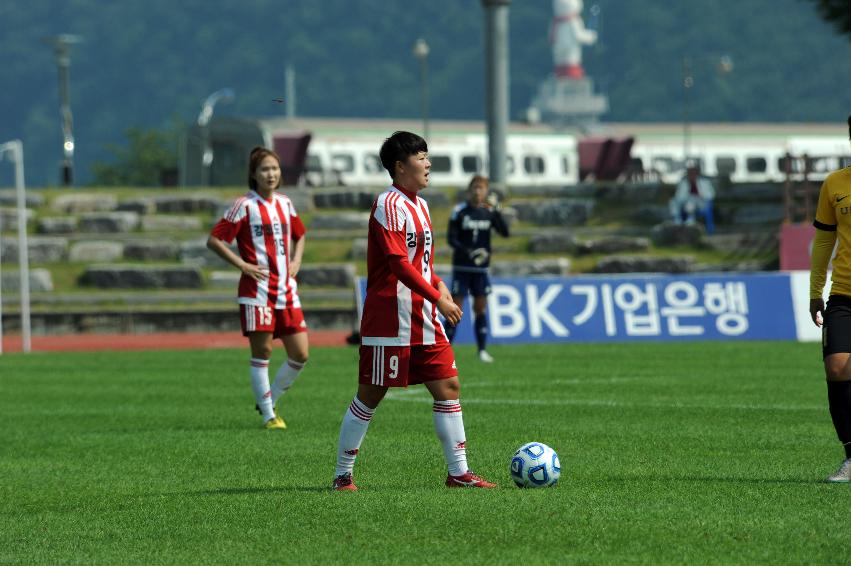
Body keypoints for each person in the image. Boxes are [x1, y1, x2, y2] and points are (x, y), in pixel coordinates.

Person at [332, 131, 496, 491]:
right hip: (390, 317)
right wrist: (438, 297)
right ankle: (343, 474)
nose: (428, 163)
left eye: (427, 156)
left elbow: (420, 266)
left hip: (423, 317)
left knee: (448, 386)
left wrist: (438, 287)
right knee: (371, 394)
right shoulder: (387, 204)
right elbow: (397, 265)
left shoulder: (420, 206)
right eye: (421, 157)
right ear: (399, 166)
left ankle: (458, 473)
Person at [207, 146, 309, 430]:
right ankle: (268, 415)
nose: (271, 174)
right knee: (262, 351)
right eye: (265, 169)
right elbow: (215, 240)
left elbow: (300, 235)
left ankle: (269, 398)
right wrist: (243, 265)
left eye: (274, 168)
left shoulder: (286, 204)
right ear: (254, 174)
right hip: (257, 291)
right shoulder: (244, 206)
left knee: (300, 353)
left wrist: (297, 259)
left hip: (286, 289)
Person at [810, 114, 851, 482]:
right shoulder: (835, 184)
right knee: (837, 368)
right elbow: (824, 241)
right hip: (843, 294)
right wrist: (814, 292)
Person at [445, 175, 510, 362]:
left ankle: (482, 350)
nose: (478, 191)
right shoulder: (460, 211)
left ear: (486, 191)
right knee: (455, 309)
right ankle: (445, 351)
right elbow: (452, 239)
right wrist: (468, 252)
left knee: (480, 308)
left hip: (481, 270)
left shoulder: (488, 212)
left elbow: (505, 233)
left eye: (481, 188)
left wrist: (497, 210)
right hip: (462, 267)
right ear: (469, 190)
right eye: (475, 187)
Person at [668, 162, 716, 234]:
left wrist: (701, 195)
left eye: (693, 172)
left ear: (697, 173)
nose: (691, 174)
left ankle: (690, 219)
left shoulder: (705, 182)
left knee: (691, 201)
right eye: (690, 172)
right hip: (685, 201)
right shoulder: (683, 183)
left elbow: (711, 195)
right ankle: (677, 220)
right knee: (673, 201)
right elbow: (679, 196)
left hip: (701, 202)